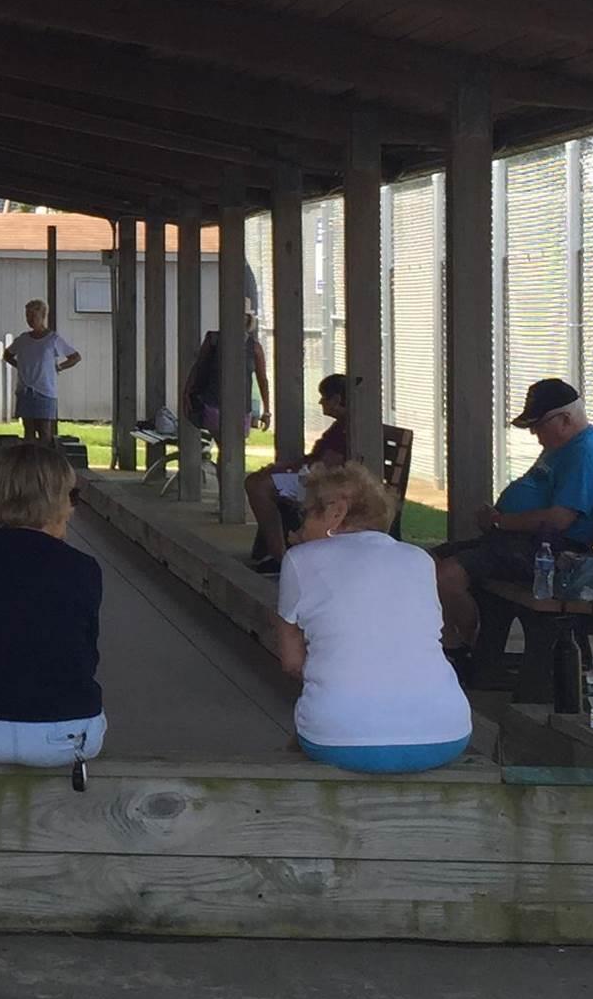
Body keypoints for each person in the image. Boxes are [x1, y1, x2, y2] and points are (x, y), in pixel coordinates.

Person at [276, 459, 476, 774]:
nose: (298, 528)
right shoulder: (419, 559)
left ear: (335, 513)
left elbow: (291, 663)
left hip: (337, 738)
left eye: (305, 514)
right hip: (446, 732)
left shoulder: (299, 560)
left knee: (305, 738)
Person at [0, 443, 106, 771]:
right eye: (72, 496)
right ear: (53, 500)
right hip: (66, 736)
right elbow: (85, 655)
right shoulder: (83, 568)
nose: (73, 508)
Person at [433, 377, 593, 655]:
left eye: (538, 426)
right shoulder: (560, 448)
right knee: (427, 563)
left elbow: (560, 519)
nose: (534, 434)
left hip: (552, 553)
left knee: (447, 574)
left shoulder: (585, 453)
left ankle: (467, 646)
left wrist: (501, 521)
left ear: (564, 419)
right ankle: (458, 640)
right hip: (520, 542)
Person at [246, 370, 353, 570]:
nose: (321, 403)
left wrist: (287, 469)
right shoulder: (340, 426)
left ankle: (280, 555)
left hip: (325, 484)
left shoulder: (347, 428)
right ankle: (275, 549)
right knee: (259, 481)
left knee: (258, 486)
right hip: (317, 477)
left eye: (324, 398)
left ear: (337, 399)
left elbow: (324, 466)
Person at [182, 325, 271, 469]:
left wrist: (266, 411)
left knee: (232, 452)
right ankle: (228, 484)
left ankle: (228, 484)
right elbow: (199, 366)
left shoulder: (254, 347)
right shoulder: (213, 340)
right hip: (214, 404)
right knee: (227, 449)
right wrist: (187, 392)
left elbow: (262, 380)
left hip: (242, 408)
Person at [0, 300, 79, 444]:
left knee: (44, 430)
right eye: (27, 316)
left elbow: (75, 357)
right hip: (25, 390)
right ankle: (30, 461)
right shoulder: (23, 339)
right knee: (28, 430)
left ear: (43, 316)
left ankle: (44, 461)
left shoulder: (52, 339)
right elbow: (7, 354)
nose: (30, 319)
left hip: (45, 390)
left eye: (34, 316)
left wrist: (58, 367)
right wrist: (20, 366)